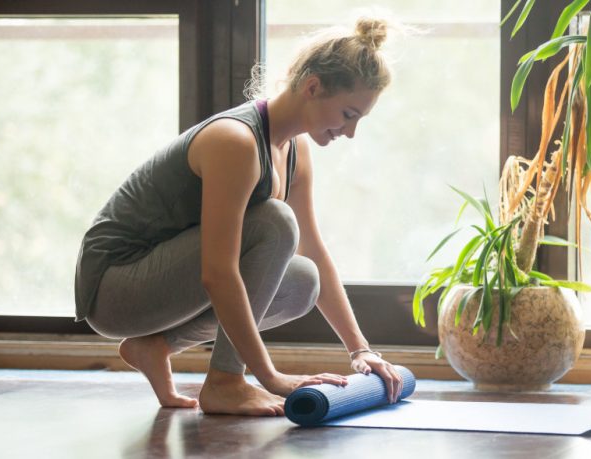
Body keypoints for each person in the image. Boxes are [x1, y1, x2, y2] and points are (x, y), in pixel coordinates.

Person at [74, 16, 404, 416]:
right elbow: (218, 271)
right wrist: (269, 375)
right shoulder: (236, 142)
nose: (350, 132)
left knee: (303, 280)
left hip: (157, 285)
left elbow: (313, 250)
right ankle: (225, 382)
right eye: (349, 115)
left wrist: (360, 349)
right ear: (313, 87)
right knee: (276, 221)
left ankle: (156, 346)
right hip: (114, 288)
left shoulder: (295, 150)